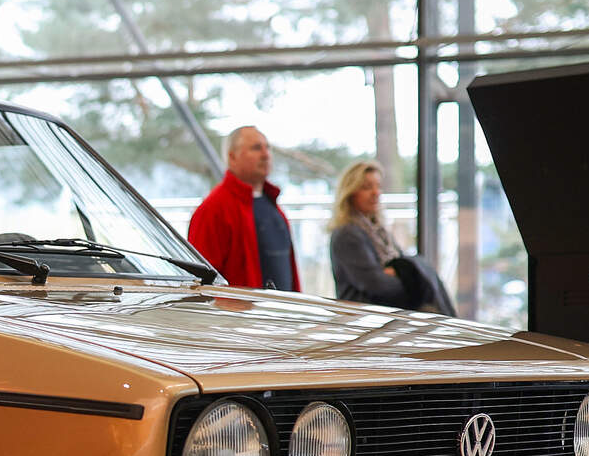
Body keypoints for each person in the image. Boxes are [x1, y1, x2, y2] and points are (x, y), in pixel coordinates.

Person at [328, 160, 455, 314]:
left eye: (378, 186)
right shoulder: (348, 234)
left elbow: (401, 263)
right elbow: (378, 284)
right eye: (367, 187)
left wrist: (399, 270)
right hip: (366, 315)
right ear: (350, 193)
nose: (376, 192)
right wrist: (406, 274)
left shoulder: (377, 229)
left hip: (386, 310)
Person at [187, 125, 300, 291]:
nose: (265, 154)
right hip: (242, 314)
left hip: (282, 312)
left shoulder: (272, 203)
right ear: (232, 156)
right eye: (256, 148)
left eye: (267, 147)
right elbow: (201, 283)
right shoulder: (213, 210)